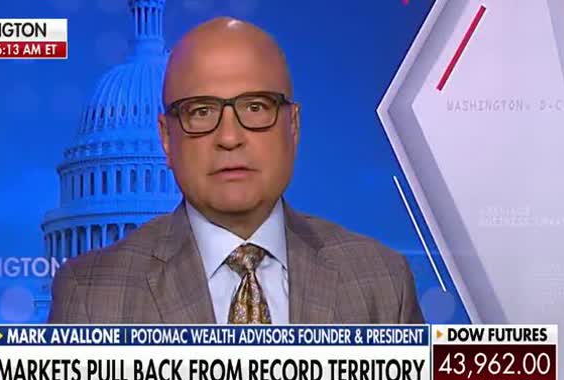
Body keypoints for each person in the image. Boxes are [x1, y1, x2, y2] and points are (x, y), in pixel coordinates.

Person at [48, 17, 424, 324]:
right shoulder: (91, 297)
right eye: (201, 111)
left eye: (256, 107)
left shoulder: (381, 282)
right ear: (166, 138)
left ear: (293, 126)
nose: (229, 137)